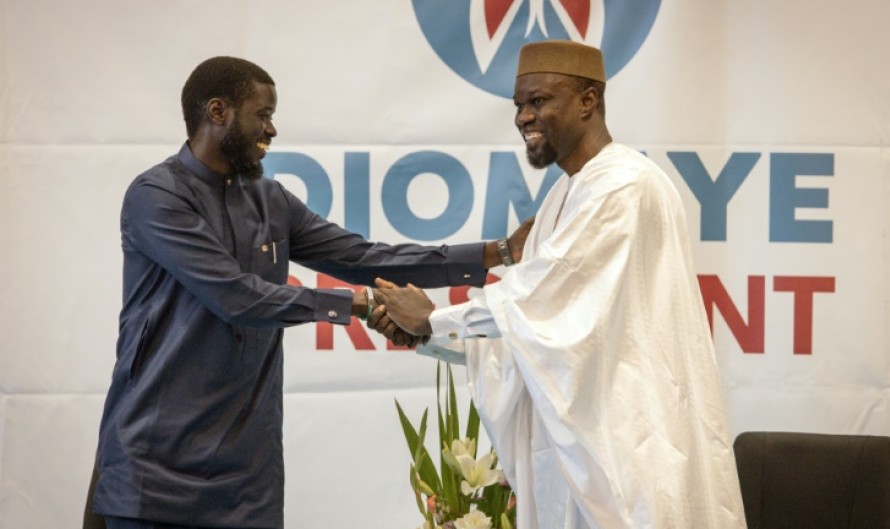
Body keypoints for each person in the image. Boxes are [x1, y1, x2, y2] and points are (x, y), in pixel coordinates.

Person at [89, 56, 532, 529]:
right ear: (217, 112)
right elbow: (235, 297)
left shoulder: (268, 199)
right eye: (262, 114)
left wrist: (496, 252)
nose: (272, 129)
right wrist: (359, 303)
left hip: (247, 481)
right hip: (155, 475)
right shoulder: (156, 196)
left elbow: (363, 258)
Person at [376, 41, 747, 529]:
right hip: (580, 458)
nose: (523, 118)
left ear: (588, 101)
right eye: (518, 106)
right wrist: (431, 336)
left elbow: (534, 300)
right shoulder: (563, 194)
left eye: (538, 101)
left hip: (630, 453)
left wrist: (433, 317)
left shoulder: (623, 185)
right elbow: (535, 336)